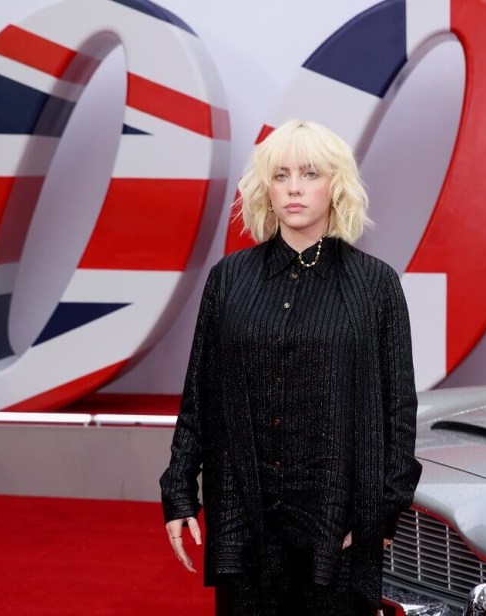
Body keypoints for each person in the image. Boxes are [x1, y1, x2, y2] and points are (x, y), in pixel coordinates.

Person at [159, 119, 422, 616]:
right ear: (265, 188)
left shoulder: (375, 286)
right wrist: (178, 490)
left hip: (336, 521)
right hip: (244, 513)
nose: (295, 188)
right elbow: (200, 395)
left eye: (310, 174)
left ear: (336, 185)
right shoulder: (229, 280)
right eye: (281, 175)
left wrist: (379, 515)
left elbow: (398, 411)